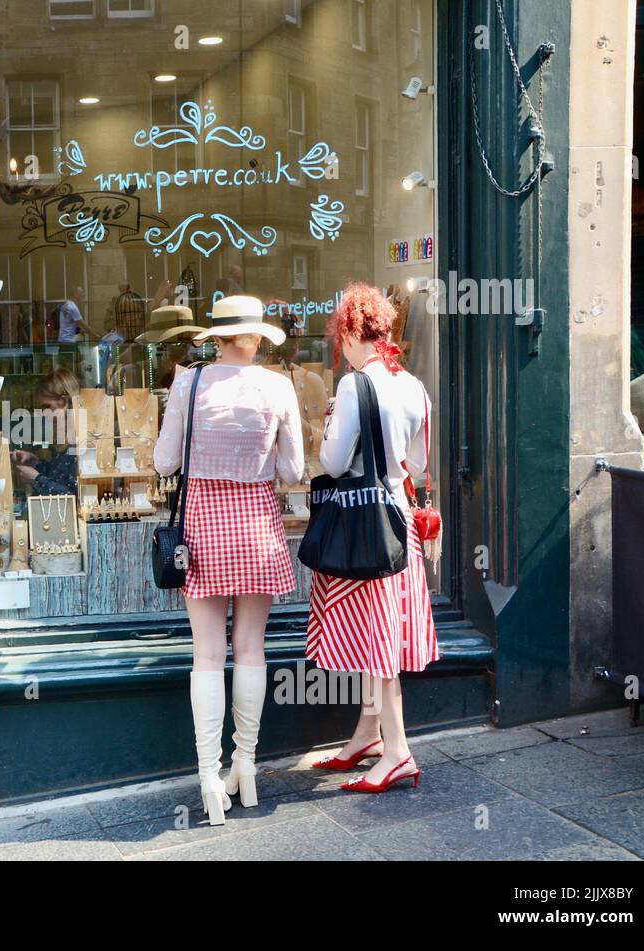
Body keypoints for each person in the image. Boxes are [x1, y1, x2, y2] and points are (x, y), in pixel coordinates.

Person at [154, 295, 304, 824]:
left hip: (202, 527)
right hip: (257, 525)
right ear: (257, 337)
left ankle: (208, 778)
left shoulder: (189, 384)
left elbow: (164, 460)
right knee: (251, 649)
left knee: (208, 654)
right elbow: (293, 471)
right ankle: (247, 766)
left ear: (214, 337)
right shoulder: (278, 386)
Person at [306, 282, 439, 793]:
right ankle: (368, 732)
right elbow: (420, 463)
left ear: (347, 334)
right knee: (380, 635)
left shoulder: (353, 385)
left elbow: (334, 462)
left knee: (377, 642)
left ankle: (399, 750)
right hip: (398, 525)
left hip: (362, 529)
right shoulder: (414, 386)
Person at [11, 368, 80, 496]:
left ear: (63, 402)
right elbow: (60, 477)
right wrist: (35, 462)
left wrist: (37, 479)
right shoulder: (66, 437)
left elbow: (76, 497)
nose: (43, 413)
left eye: (47, 406)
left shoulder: (81, 440)